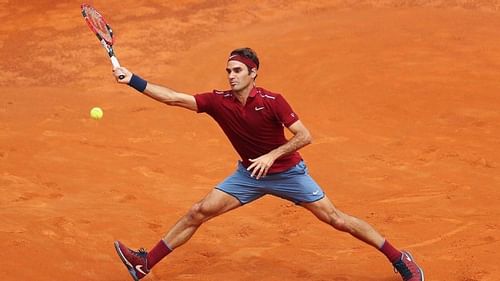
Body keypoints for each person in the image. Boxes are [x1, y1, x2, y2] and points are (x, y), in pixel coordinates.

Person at [111, 47, 424, 281]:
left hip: (288, 173)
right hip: (248, 175)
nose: (231, 76)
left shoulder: (273, 101)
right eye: (228, 71)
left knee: (337, 220)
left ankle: (399, 258)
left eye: (236, 70)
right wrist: (133, 80)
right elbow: (173, 98)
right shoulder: (219, 101)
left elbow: (304, 136)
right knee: (198, 212)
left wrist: (272, 155)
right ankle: (145, 263)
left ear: (253, 73)